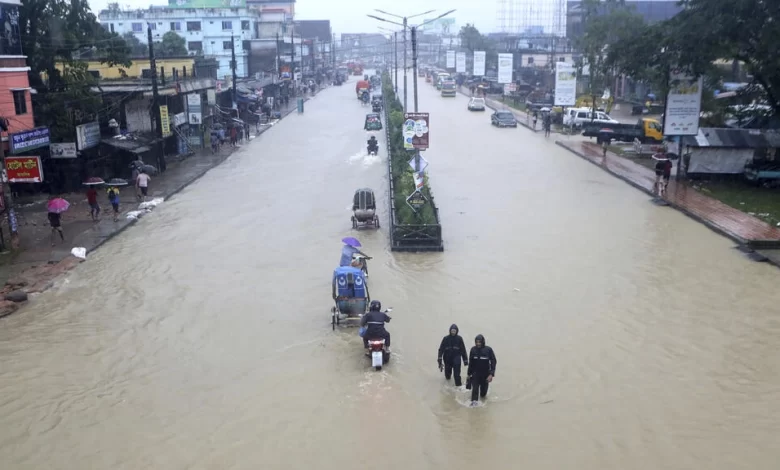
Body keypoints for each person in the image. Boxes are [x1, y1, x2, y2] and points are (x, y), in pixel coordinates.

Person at [467, 334, 497, 406]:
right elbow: (471, 363)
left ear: (483, 342)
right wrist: (468, 374)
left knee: (483, 395)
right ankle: (474, 408)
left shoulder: (488, 350)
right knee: (475, 391)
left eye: (479, 342)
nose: (478, 343)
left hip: (485, 374)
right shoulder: (473, 349)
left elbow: (494, 361)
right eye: (476, 342)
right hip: (475, 374)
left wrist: (491, 374)